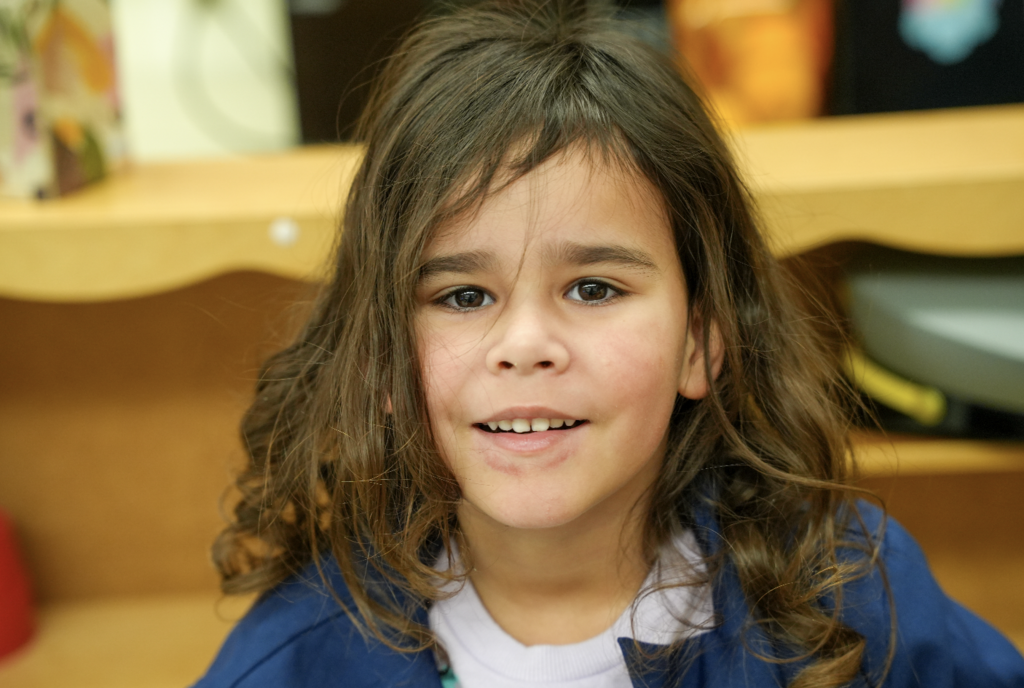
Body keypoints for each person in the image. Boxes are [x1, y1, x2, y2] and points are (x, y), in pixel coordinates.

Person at [193, 2, 1024, 687]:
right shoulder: (297, 658)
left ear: (703, 339)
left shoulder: (850, 601)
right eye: (463, 295)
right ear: (379, 360)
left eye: (594, 289)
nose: (525, 345)